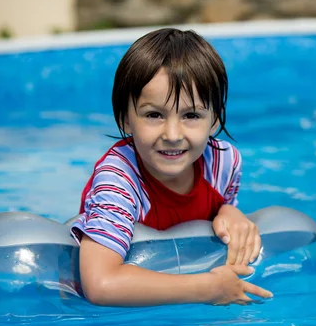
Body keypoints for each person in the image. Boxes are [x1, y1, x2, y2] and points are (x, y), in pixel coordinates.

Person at [71, 28, 272, 307]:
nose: (173, 134)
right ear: (126, 119)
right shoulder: (119, 179)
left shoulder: (223, 163)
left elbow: (219, 208)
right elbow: (100, 284)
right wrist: (207, 288)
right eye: (154, 115)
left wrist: (229, 211)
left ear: (214, 120)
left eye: (191, 115)